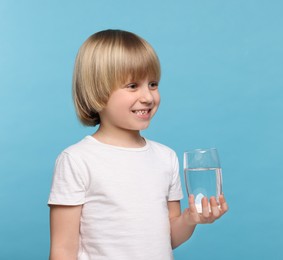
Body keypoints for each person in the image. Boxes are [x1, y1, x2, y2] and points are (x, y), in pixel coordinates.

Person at [48, 29, 228, 260]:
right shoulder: (77, 160)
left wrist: (190, 218)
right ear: (97, 91)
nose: (148, 97)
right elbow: (63, 250)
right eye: (133, 85)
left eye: (153, 84)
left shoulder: (166, 157)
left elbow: (169, 237)